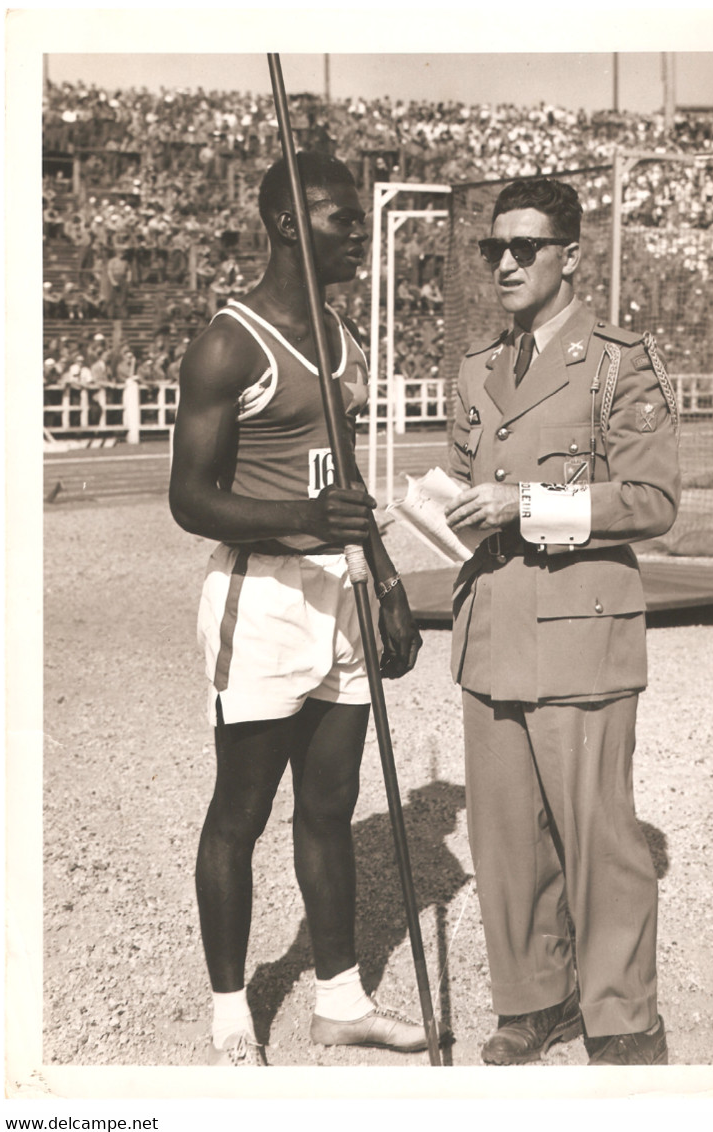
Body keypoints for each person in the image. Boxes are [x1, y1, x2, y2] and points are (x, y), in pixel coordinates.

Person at [169, 151, 431, 1067]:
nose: (360, 231)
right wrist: (303, 519)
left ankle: (339, 1001)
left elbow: (349, 486)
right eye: (340, 218)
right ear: (289, 224)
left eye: (358, 218)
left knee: (330, 805)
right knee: (238, 812)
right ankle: (232, 1013)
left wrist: (388, 578)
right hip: (263, 592)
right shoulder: (229, 342)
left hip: (344, 591)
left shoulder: (342, 333)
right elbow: (191, 500)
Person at [445, 177, 681, 1066]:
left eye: (525, 248)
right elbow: (474, 486)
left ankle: (623, 1020)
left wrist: (525, 504)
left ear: (570, 255)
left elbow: (653, 498)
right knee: (505, 839)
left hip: (581, 631)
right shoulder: (478, 367)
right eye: (492, 248)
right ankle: (533, 1000)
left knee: (598, 838)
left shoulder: (619, 360)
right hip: (492, 630)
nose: (503, 263)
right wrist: (448, 510)